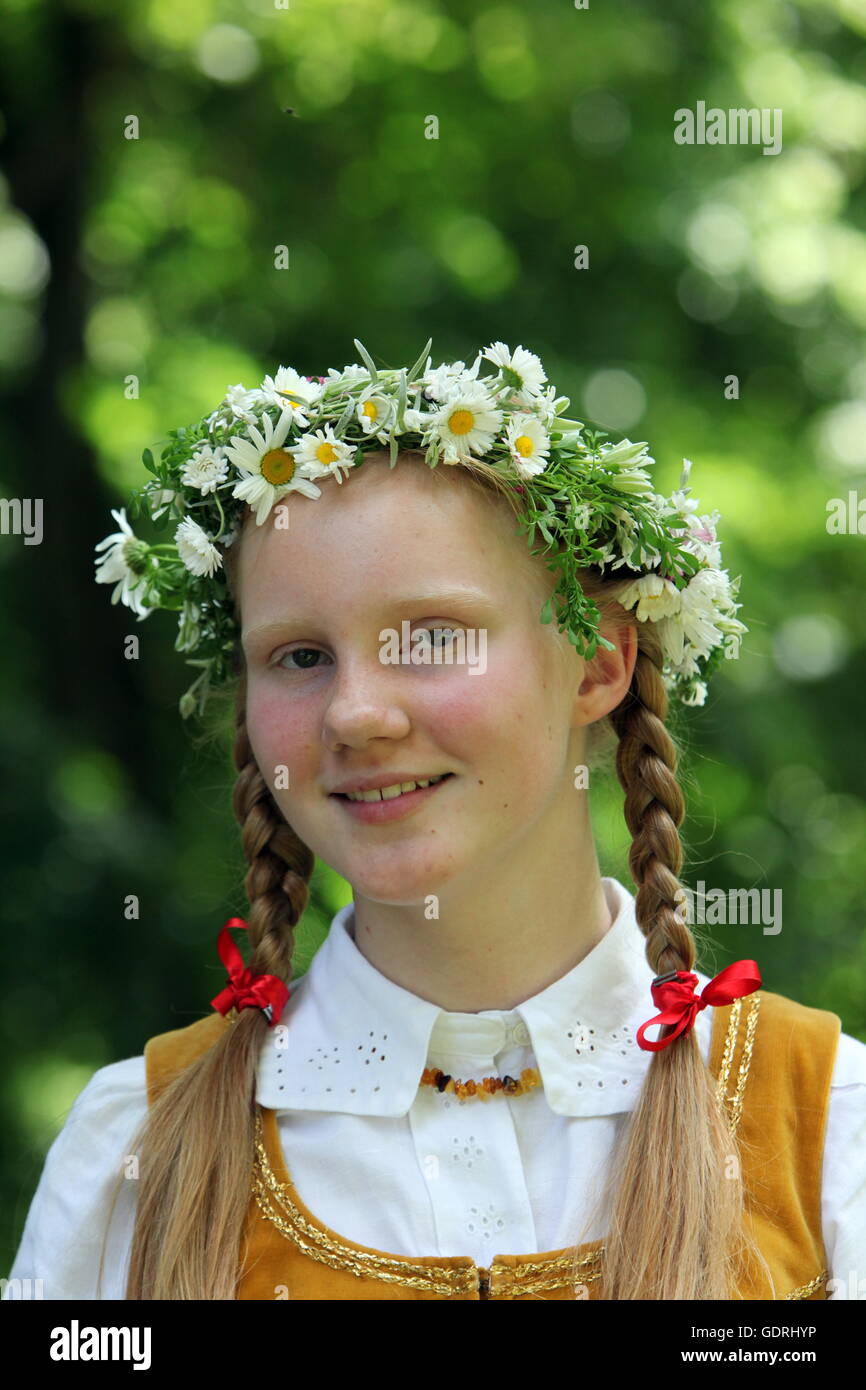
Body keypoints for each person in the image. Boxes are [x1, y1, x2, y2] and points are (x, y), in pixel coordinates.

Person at [5, 341, 865, 1300]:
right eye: (297, 656)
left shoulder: (829, 1130)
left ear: (599, 665)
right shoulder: (138, 1146)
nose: (354, 715)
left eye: (431, 637)